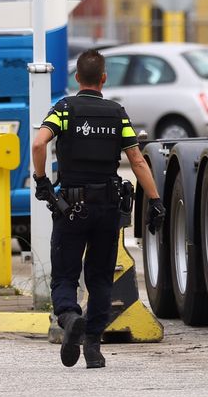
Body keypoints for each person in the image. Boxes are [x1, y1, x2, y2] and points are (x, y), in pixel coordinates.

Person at [31, 49, 166, 369]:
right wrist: (156, 200)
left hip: (71, 208)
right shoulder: (117, 113)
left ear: (77, 78)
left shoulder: (63, 109)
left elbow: (39, 144)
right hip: (107, 206)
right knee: (101, 278)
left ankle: (69, 317)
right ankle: (93, 346)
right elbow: (136, 160)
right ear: (104, 79)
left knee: (65, 275)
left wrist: (41, 182)